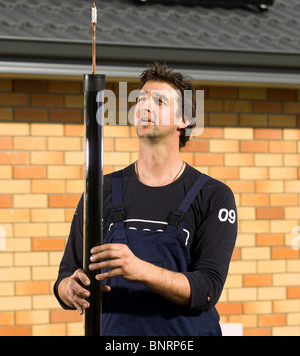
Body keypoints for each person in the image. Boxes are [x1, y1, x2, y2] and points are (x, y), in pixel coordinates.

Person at [54, 62, 237, 336]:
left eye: (159, 101)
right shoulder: (100, 189)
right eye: (140, 99)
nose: (143, 107)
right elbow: (66, 274)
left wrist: (139, 269)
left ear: (183, 120)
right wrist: (70, 289)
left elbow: (207, 289)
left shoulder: (213, 195)